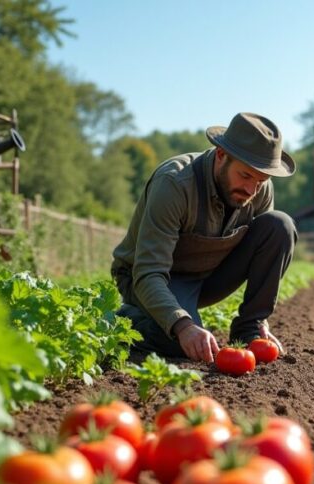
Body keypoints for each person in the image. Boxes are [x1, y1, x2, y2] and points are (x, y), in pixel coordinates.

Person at [110, 112, 297, 363]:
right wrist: (183, 326)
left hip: (208, 276)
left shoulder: (259, 187)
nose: (251, 190)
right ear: (221, 155)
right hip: (149, 278)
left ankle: (249, 328)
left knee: (280, 225)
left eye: (261, 180)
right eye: (245, 176)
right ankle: (124, 322)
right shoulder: (174, 184)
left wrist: (260, 321)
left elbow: (266, 242)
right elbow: (148, 272)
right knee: (179, 342)